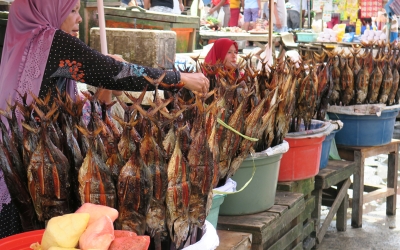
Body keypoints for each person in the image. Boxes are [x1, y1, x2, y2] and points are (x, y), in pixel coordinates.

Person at [0, 0, 209, 238]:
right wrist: (178, 78)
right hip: (24, 177)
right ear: (50, 9)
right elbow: (116, 73)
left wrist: (103, 79)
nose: (79, 18)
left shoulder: (23, 39)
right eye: (73, 10)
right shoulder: (52, 41)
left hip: (18, 164)